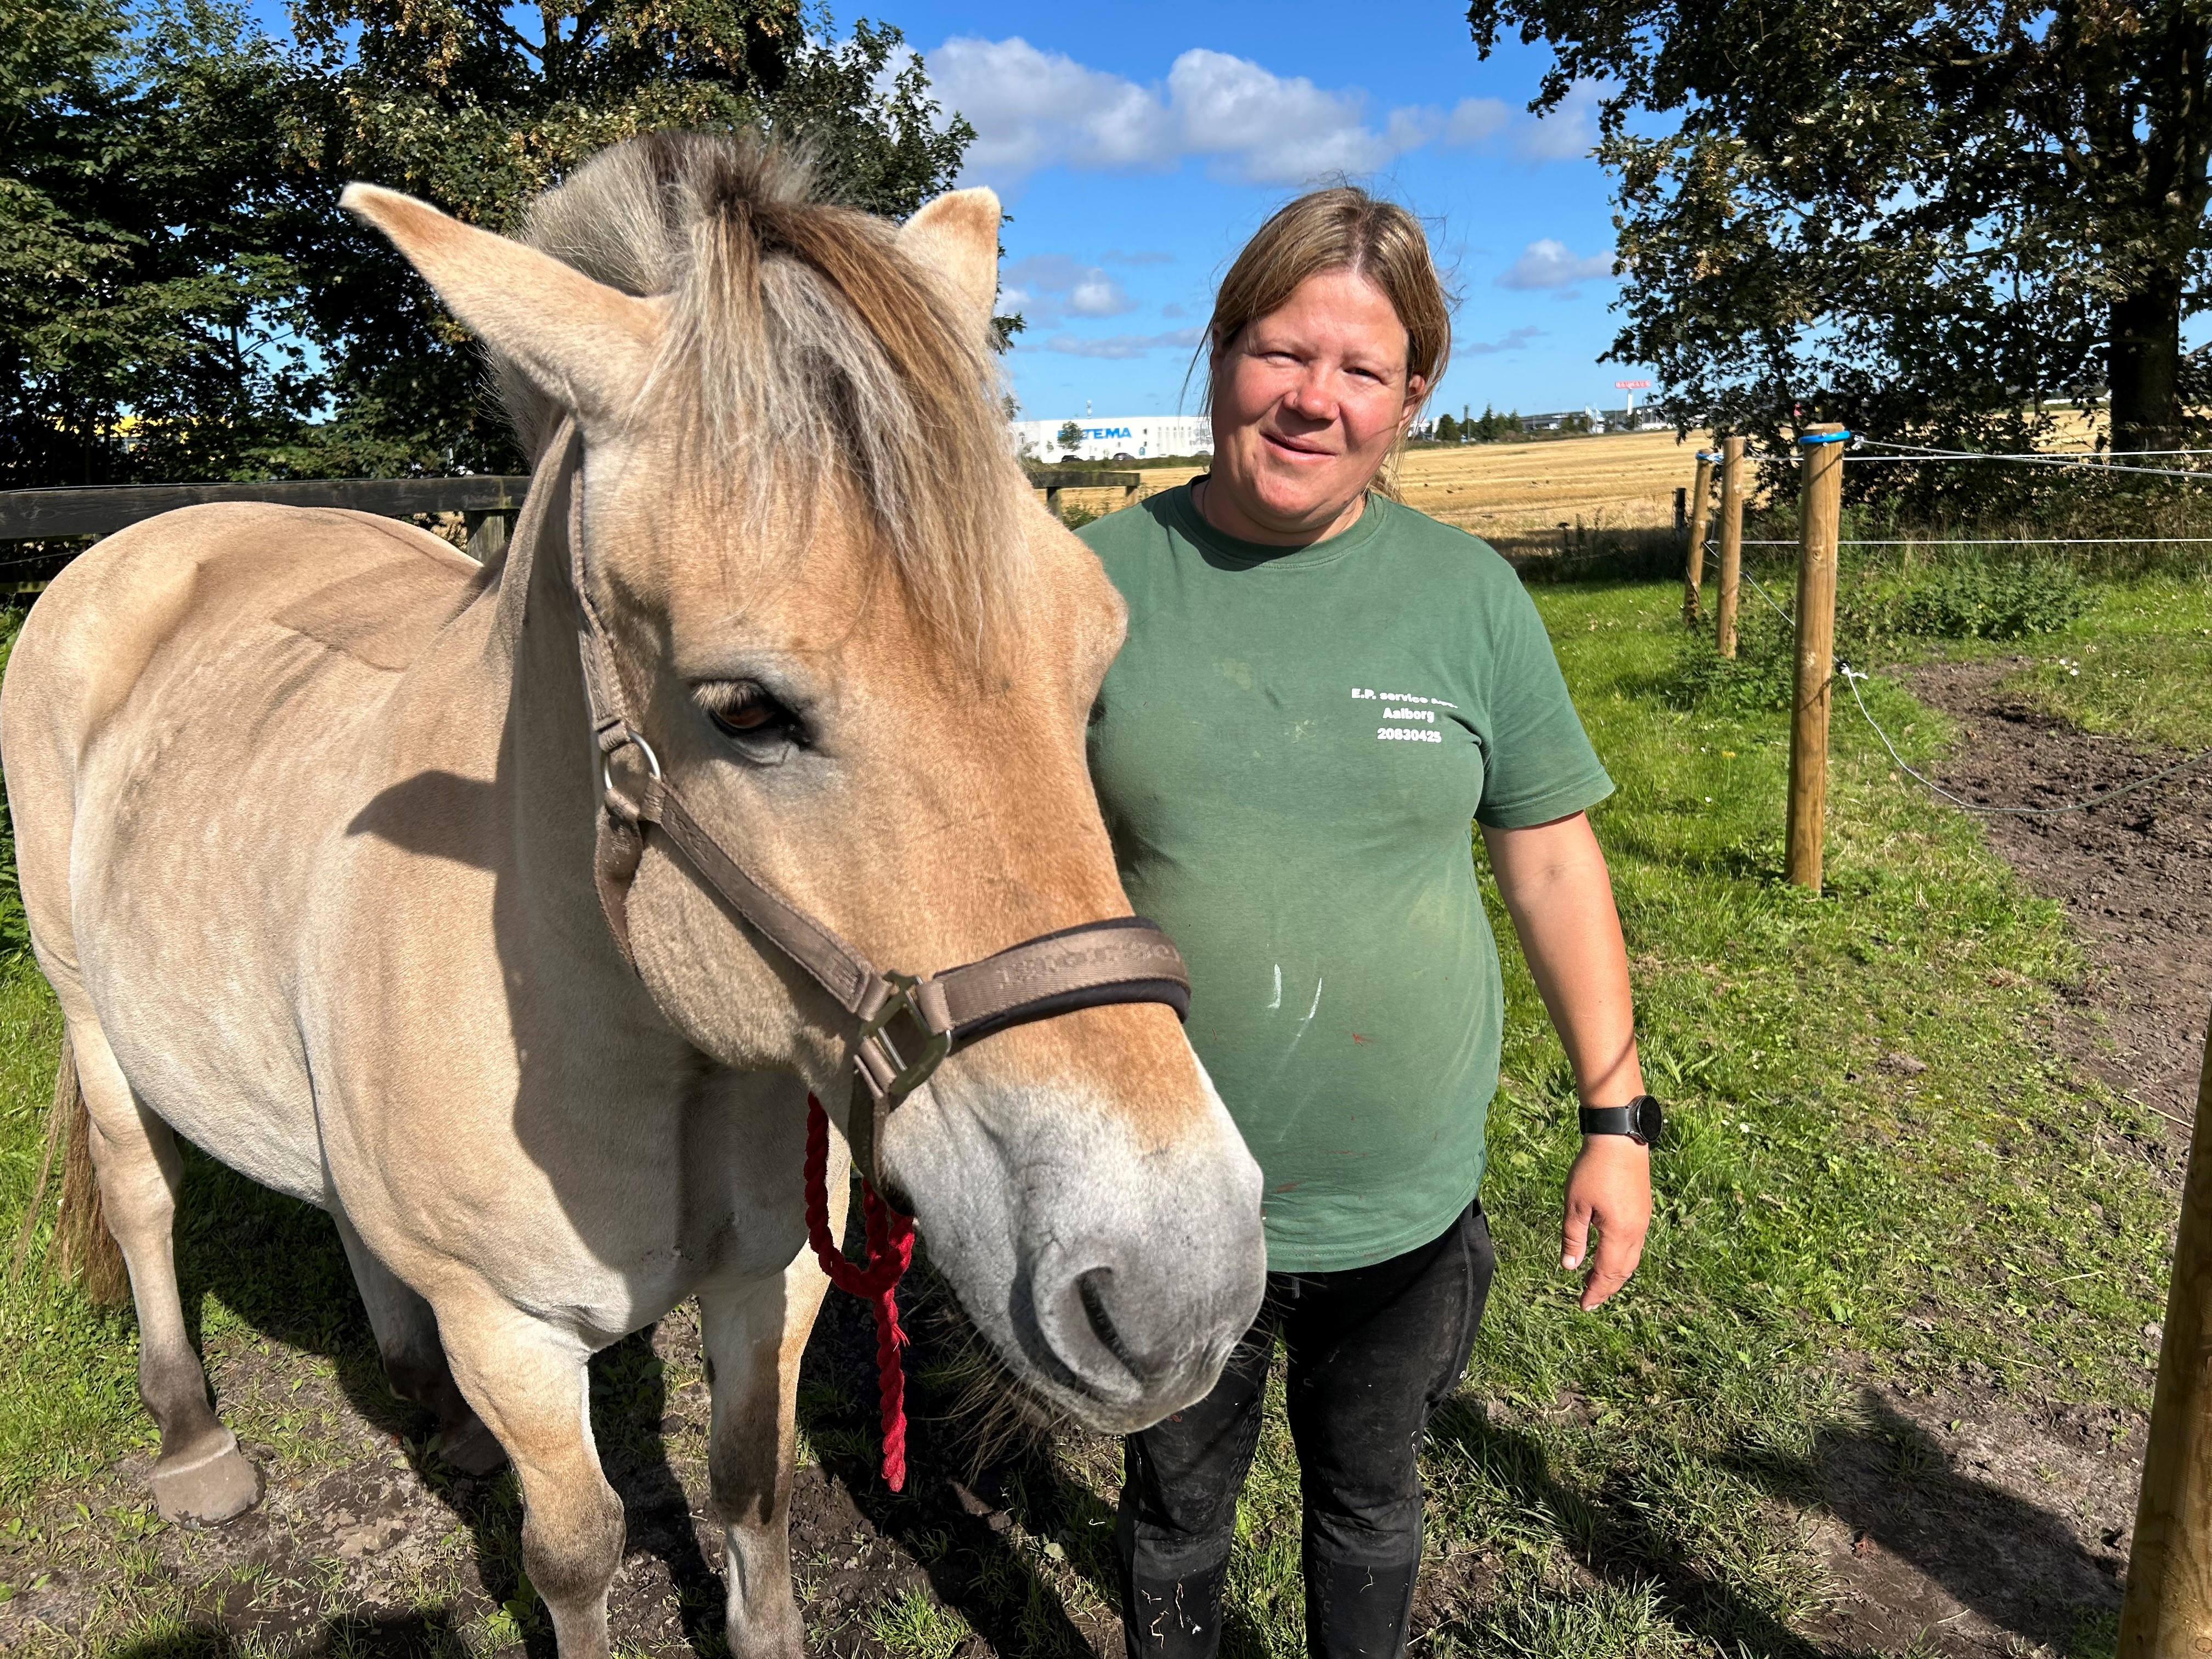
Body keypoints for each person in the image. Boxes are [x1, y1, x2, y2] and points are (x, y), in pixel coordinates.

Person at [1077, 187, 1656, 1659]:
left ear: (1414, 398)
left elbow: (1552, 863)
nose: (1310, 401)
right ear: (1218, 357)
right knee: (1175, 1509)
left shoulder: (1466, 600)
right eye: (1280, 352)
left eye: (1358, 370)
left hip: (1401, 1193)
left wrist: (1617, 1118)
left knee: (1370, 1496)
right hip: (1168, 1189)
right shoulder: (1091, 587)